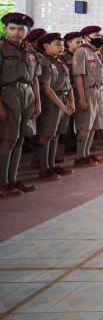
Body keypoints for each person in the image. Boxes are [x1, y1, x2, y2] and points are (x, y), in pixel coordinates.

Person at [0, 13, 41, 197]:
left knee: (20, 138)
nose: (16, 32)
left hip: (28, 94)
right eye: (12, 28)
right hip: (8, 94)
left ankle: (13, 179)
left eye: (21, 29)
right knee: (7, 139)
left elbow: (35, 78)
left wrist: (38, 102)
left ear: (27, 31)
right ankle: (3, 183)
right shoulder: (2, 48)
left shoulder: (31, 51)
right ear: (5, 29)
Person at [34, 32, 75, 181]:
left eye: (62, 45)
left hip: (63, 100)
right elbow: (46, 88)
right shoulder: (44, 62)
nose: (61, 47)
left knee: (55, 134)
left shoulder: (60, 61)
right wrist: (62, 106)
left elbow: (68, 84)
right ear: (46, 46)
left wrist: (71, 101)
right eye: (57, 45)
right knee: (46, 135)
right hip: (51, 102)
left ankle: (52, 165)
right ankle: (44, 169)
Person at [72, 25, 103, 168]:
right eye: (96, 35)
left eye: (99, 35)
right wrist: (81, 97)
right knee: (85, 124)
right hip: (88, 91)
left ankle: (86, 153)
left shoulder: (95, 52)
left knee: (93, 125)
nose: (99, 38)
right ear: (86, 38)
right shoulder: (81, 52)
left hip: (99, 90)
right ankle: (80, 156)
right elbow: (78, 75)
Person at [61, 31, 83, 156]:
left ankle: (76, 140)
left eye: (81, 42)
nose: (80, 44)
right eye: (77, 42)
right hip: (69, 90)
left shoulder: (81, 55)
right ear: (68, 43)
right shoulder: (63, 57)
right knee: (68, 118)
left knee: (79, 116)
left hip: (80, 89)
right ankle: (68, 144)